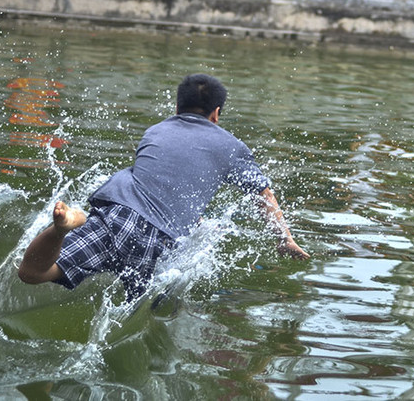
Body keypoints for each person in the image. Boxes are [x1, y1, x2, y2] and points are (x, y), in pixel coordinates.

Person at [18, 74, 310, 300]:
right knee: (151, 309)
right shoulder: (230, 146)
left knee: (32, 273)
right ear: (216, 113)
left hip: (116, 214)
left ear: (177, 106)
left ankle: (64, 227)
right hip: (156, 240)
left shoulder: (155, 130)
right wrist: (284, 238)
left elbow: (159, 181)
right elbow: (263, 195)